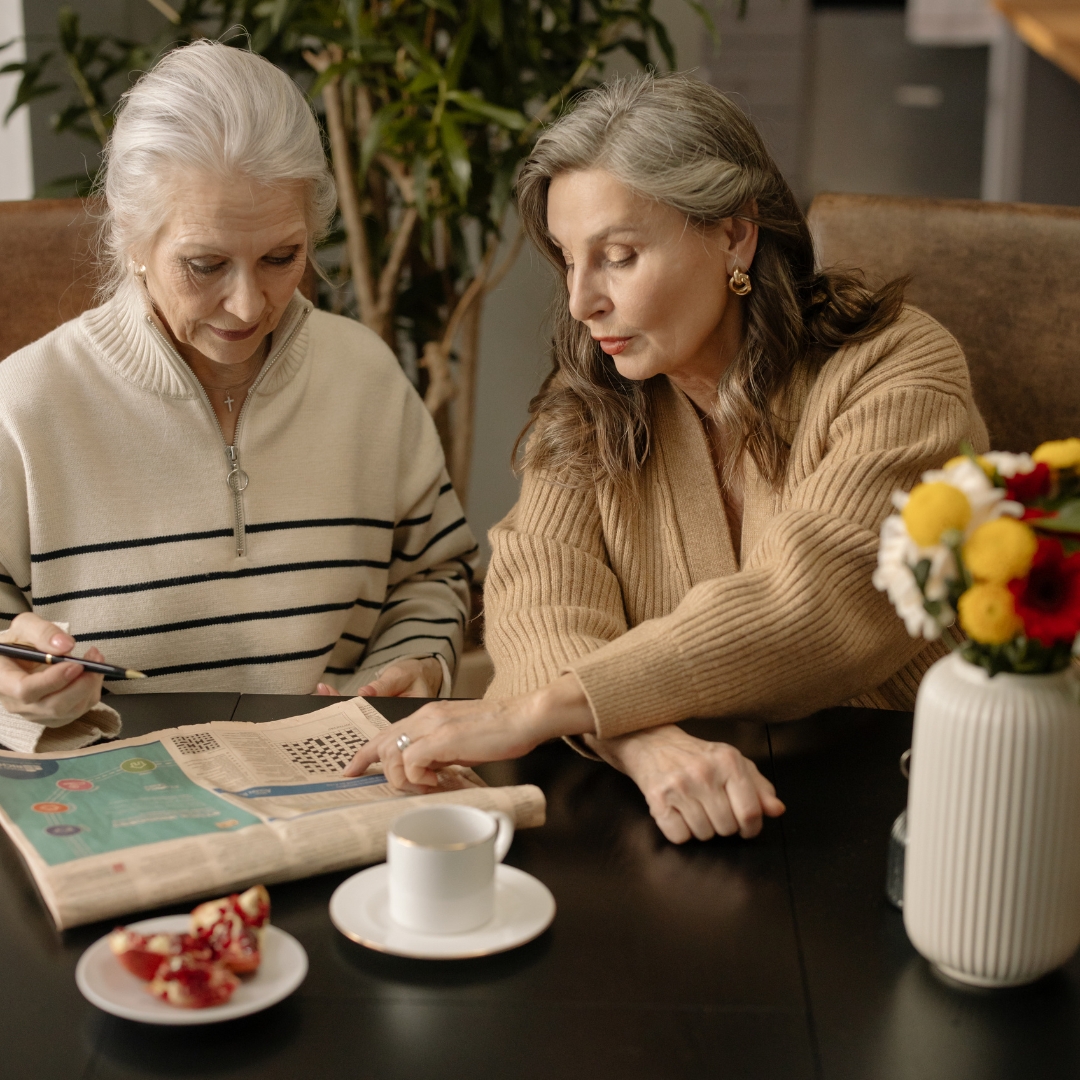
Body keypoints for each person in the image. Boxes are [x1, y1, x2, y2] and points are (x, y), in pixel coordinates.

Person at [346, 73, 988, 843]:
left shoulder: (901, 368)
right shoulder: (595, 393)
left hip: (907, 809)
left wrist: (529, 712)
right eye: (567, 258)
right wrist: (646, 745)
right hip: (682, 816)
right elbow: (536, 596)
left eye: (617, 256)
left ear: (733, 234)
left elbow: (815, 602)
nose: (583, 302)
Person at [0, 41, 477, 754]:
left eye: (281, 258)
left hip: (340, 781)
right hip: (115, 796)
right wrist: (13, 685)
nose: (248, 304)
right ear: (131, 234)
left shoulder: (367, 379)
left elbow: (434, 571)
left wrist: (416, 665)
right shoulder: (23, 406)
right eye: (206, 264)